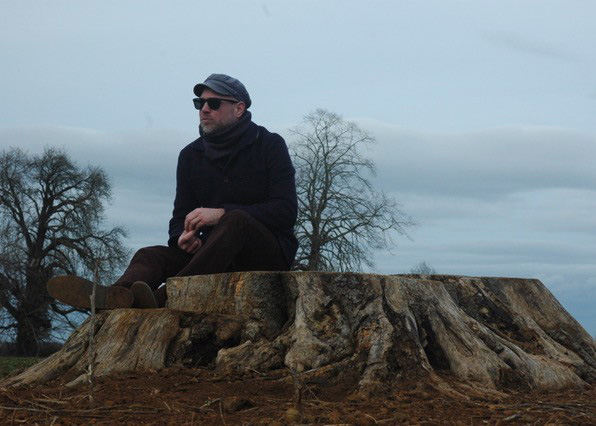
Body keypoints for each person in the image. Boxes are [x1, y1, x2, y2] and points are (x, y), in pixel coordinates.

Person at [48, 73, 298, 309]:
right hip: (210, 256)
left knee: (236, 220)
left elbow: (286, 211)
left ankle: (163, 298)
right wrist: (182, 237)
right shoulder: (190, 156)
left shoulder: (269, 145)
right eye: (199, 103)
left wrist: (221, 213)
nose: (204, 109)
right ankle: (117, 296)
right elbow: (179, 217)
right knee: (150, 255)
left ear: (239, 108)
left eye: (214, 103)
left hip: (265, 255)